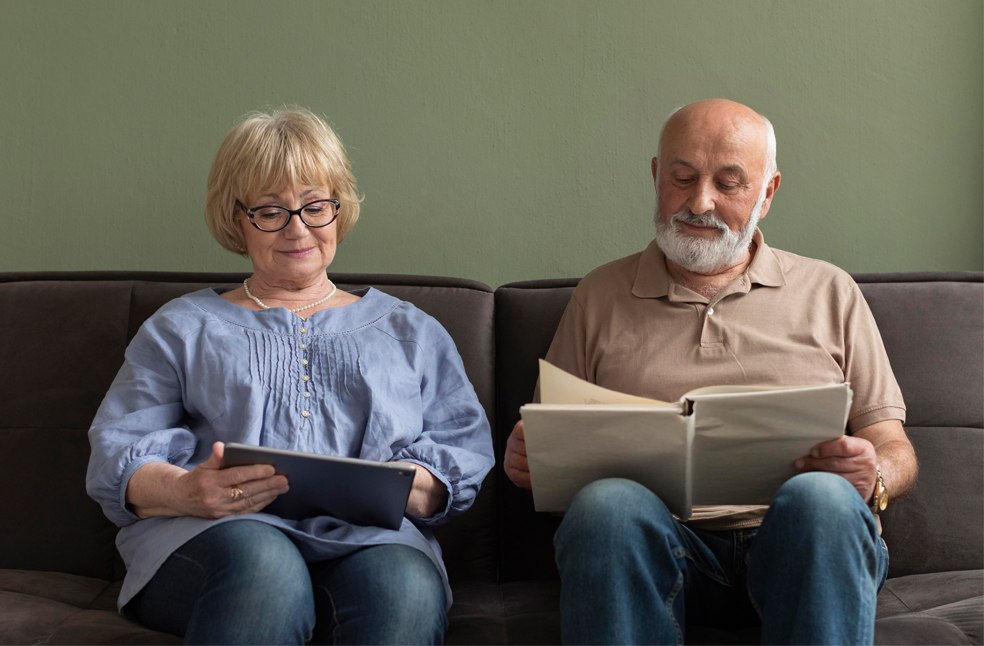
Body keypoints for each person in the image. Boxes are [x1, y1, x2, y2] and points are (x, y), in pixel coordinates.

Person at [503, 98, 918, 644]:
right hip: (663, 548)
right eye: (682, 177)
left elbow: (894, 445)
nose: (700, 202)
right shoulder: (598, 295)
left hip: (805, 544)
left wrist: (876, 477)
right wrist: (529, 461)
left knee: (824, 500)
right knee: (606, 505)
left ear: (767, 193)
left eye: (729, 183)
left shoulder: (830, 290)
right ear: (656, 176)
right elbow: (549, 445)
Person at [86, 107, 494, 645]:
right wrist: (188, 491)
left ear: (339, 209)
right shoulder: (181, 328)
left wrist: (408, 489)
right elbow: (118, 455)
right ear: (237, 218)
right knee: (265, 568)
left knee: (401, 588)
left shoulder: (411, 331)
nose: (298, 228)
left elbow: (458, 454)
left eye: (315, 206)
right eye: (271, 211)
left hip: (372, 542)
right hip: (215, 536)